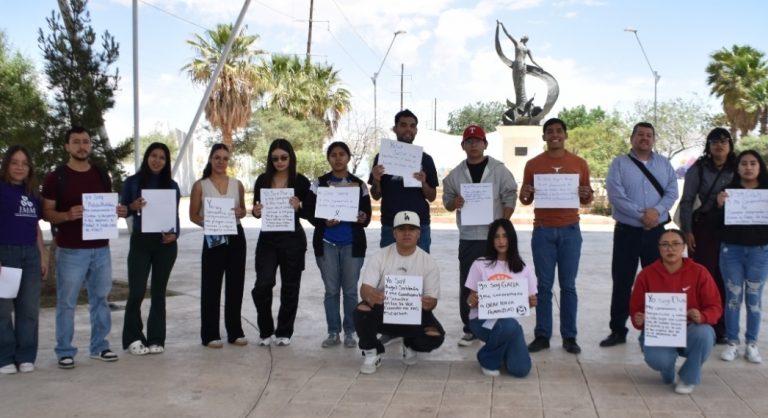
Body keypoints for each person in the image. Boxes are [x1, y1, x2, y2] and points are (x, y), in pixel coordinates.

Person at [42, 126, 128, 369]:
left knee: (100, 298)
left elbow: (106, 206)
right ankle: (65, 351)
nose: (82, 146)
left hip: (101, 249)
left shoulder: (101, 175)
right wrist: (67, 215)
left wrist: (117, 211)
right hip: (70, 250)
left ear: (90, 146)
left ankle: (99, 346)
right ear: (67, 146)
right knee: (67, 301)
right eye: (76, 142)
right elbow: (47, 212)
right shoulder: (55, 177)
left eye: (86, 142)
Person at [519, 118, 593, 354]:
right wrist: (525, 193)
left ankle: (569, 336)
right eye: (549, 131)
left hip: (570, 230)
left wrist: (586, 193)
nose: (554, 135)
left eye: (559, 131)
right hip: (542, 230)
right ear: (543, 137)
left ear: (565, 135)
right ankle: (542, 335)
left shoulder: (579, 163)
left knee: (568, 286)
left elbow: (586, 197)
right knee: (543, 286)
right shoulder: (533, 164)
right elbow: (525, 199)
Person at [601, 122, 678, 348]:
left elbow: (672, 191)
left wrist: (657, 212)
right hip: (627, 232)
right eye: (640, 135)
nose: (645, 138)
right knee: (622, 281)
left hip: (657, 233)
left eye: (649, 135)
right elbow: (616, 194)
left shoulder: (664, 164)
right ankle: (617, 330)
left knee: (658, 280)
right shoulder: (619, 164)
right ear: (632, 138)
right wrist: (641, 215)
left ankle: (658, 329)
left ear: (653, 139)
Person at [442, 124, 518, 347]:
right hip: (468, 237)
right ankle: (470, 327)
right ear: (463, 145)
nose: (474, 144)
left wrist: (503, 224)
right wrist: (453, 203)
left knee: (495, 281)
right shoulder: (456, 174)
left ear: (485, 144)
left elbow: (509, 196)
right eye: (469, 141)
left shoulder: (499, 170)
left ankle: (495, 323)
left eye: (478, 141)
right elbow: (447, 201)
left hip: (494, 238)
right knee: (469, 282)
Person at [629, 229, 721, 395]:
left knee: (705, 334)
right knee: (659, 360)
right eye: (665, 245)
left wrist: (702, 316)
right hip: (659, 331)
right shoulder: (646, 275)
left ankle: (688, 377)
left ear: (684, 247)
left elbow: (715, 307)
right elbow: (636, 310)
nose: (670, 249)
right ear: (659, 248)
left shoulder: (699, 272)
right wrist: (639, 319)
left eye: (675, 244)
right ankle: (667, 366)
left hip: (690, 329)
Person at [354, 211, 445, 374]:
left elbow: (432, 300)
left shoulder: (429, 262)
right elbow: (364, 289)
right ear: (394, 233)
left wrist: (430, 303)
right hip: (384, 309)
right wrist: (371, 296)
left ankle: (409, 343)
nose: (407, 233)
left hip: (414, 313)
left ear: (419, 233)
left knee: (435, 336)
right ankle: (372, 351)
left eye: (412, 229)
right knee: (361, 311)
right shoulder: (380, 256)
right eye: (402, 229)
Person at [304, 142, 372, 348]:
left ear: (349, 157)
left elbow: (366, 215)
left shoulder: (359, 185)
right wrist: (323, 221)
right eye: (333, 155)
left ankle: (350, 332)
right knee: (332, 291)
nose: (338, 158)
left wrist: (362, 217)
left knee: (350, 291)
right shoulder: (318, 184)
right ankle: (333, 331)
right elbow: (308, 211)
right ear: (328, 158)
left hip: (352, 244)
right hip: (327, 244)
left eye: (342, 154)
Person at [121, 143, 181, 355]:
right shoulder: (132, 182)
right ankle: (133, 337)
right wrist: (131, 207)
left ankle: (156, 338)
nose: (157, 160)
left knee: (158, 293)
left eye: (162, 157)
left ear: (166, 162)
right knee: (136, 291)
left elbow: (175, 216)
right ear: (147, 157)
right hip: (141, 242)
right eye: (153, 156)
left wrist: (176, 234)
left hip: (165, 244)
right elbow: (121, 211)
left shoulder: (172, 186)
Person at [678, 128, 735, 344]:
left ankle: (723, 328)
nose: (719, 145)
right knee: (703, 278)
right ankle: (701, 324)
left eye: (723, 141)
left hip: (730, 231)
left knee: (726, 278)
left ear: (730, 144)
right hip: (702, 230)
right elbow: (686, 201)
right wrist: (687, 231)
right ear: (708, 146)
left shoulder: (737, 168)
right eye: (714, 141)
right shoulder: (698, 169)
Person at [251, 139, 311, 347]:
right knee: (263, 285)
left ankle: (284, 331)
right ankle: (265, 330)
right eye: (275, 158)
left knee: (290, 287)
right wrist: (255, 211)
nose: (279, 161)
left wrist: (300, 206)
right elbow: (256, 209)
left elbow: (311, 213)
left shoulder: (301, 182)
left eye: (284, 157)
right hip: (267, 239)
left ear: (291, 158)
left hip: (293, 239)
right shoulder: (262, 180)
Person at [189, 143, 247, 348]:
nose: (221, 162)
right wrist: (210, 222)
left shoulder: (237, 184)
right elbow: (193, 215)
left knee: (235, 284)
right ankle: (210, 334)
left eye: (225, 158)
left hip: (236, 236)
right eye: (217, 158)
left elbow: (243, 210)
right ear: (210, 159)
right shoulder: (200, 185)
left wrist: (241, 212)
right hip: (214, 236)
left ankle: (235, 331)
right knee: (211, 285)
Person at [465, 219, 536, 377]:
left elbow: (529, 301)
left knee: (521, 370)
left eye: (505, 236)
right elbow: (469, 301)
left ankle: (502, 350)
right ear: (491, 240)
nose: (501, 241)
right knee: (510, 325)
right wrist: (473, 300)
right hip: (482, 321)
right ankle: (487, 358)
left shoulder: (524, 269)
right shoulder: (480, 264)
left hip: (510, 323)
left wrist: (531, 302)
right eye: (496, 237)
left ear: (512, 238)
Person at [716, 150, 768, 364]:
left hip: (759, 252)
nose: (748, 167)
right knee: (733, 299)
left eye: (753, 163)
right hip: (732, 252)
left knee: (754, 300)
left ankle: (752, 344)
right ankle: (732, 343)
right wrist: (720, 205)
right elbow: (716, 225)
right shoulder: (728, 192)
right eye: (744, 163)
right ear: (737, 168)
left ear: (759, 167)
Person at [0, 146, 48, 375]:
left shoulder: (32, 194)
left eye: (24, 163)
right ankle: (5, 357)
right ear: (6, 165)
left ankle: (26, 356)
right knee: (2, 308)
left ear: (29, 168)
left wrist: (43, 255)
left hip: (30, 254)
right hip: (5, 253)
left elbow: (35, 227)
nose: (19, 167)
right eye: (14, 162)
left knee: (28, 308)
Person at [369, 109, 438, 252]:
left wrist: (424, 183)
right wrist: (376, 180)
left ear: (416, 130)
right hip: (391, 225)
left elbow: (432, 197)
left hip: (419, 225)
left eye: (412, 126)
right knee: (390, 271)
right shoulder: (382, 158)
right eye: (403, 125)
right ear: (395, 129)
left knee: (419, 271)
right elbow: (376, 195)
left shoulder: (426, 159)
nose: (408, 129)